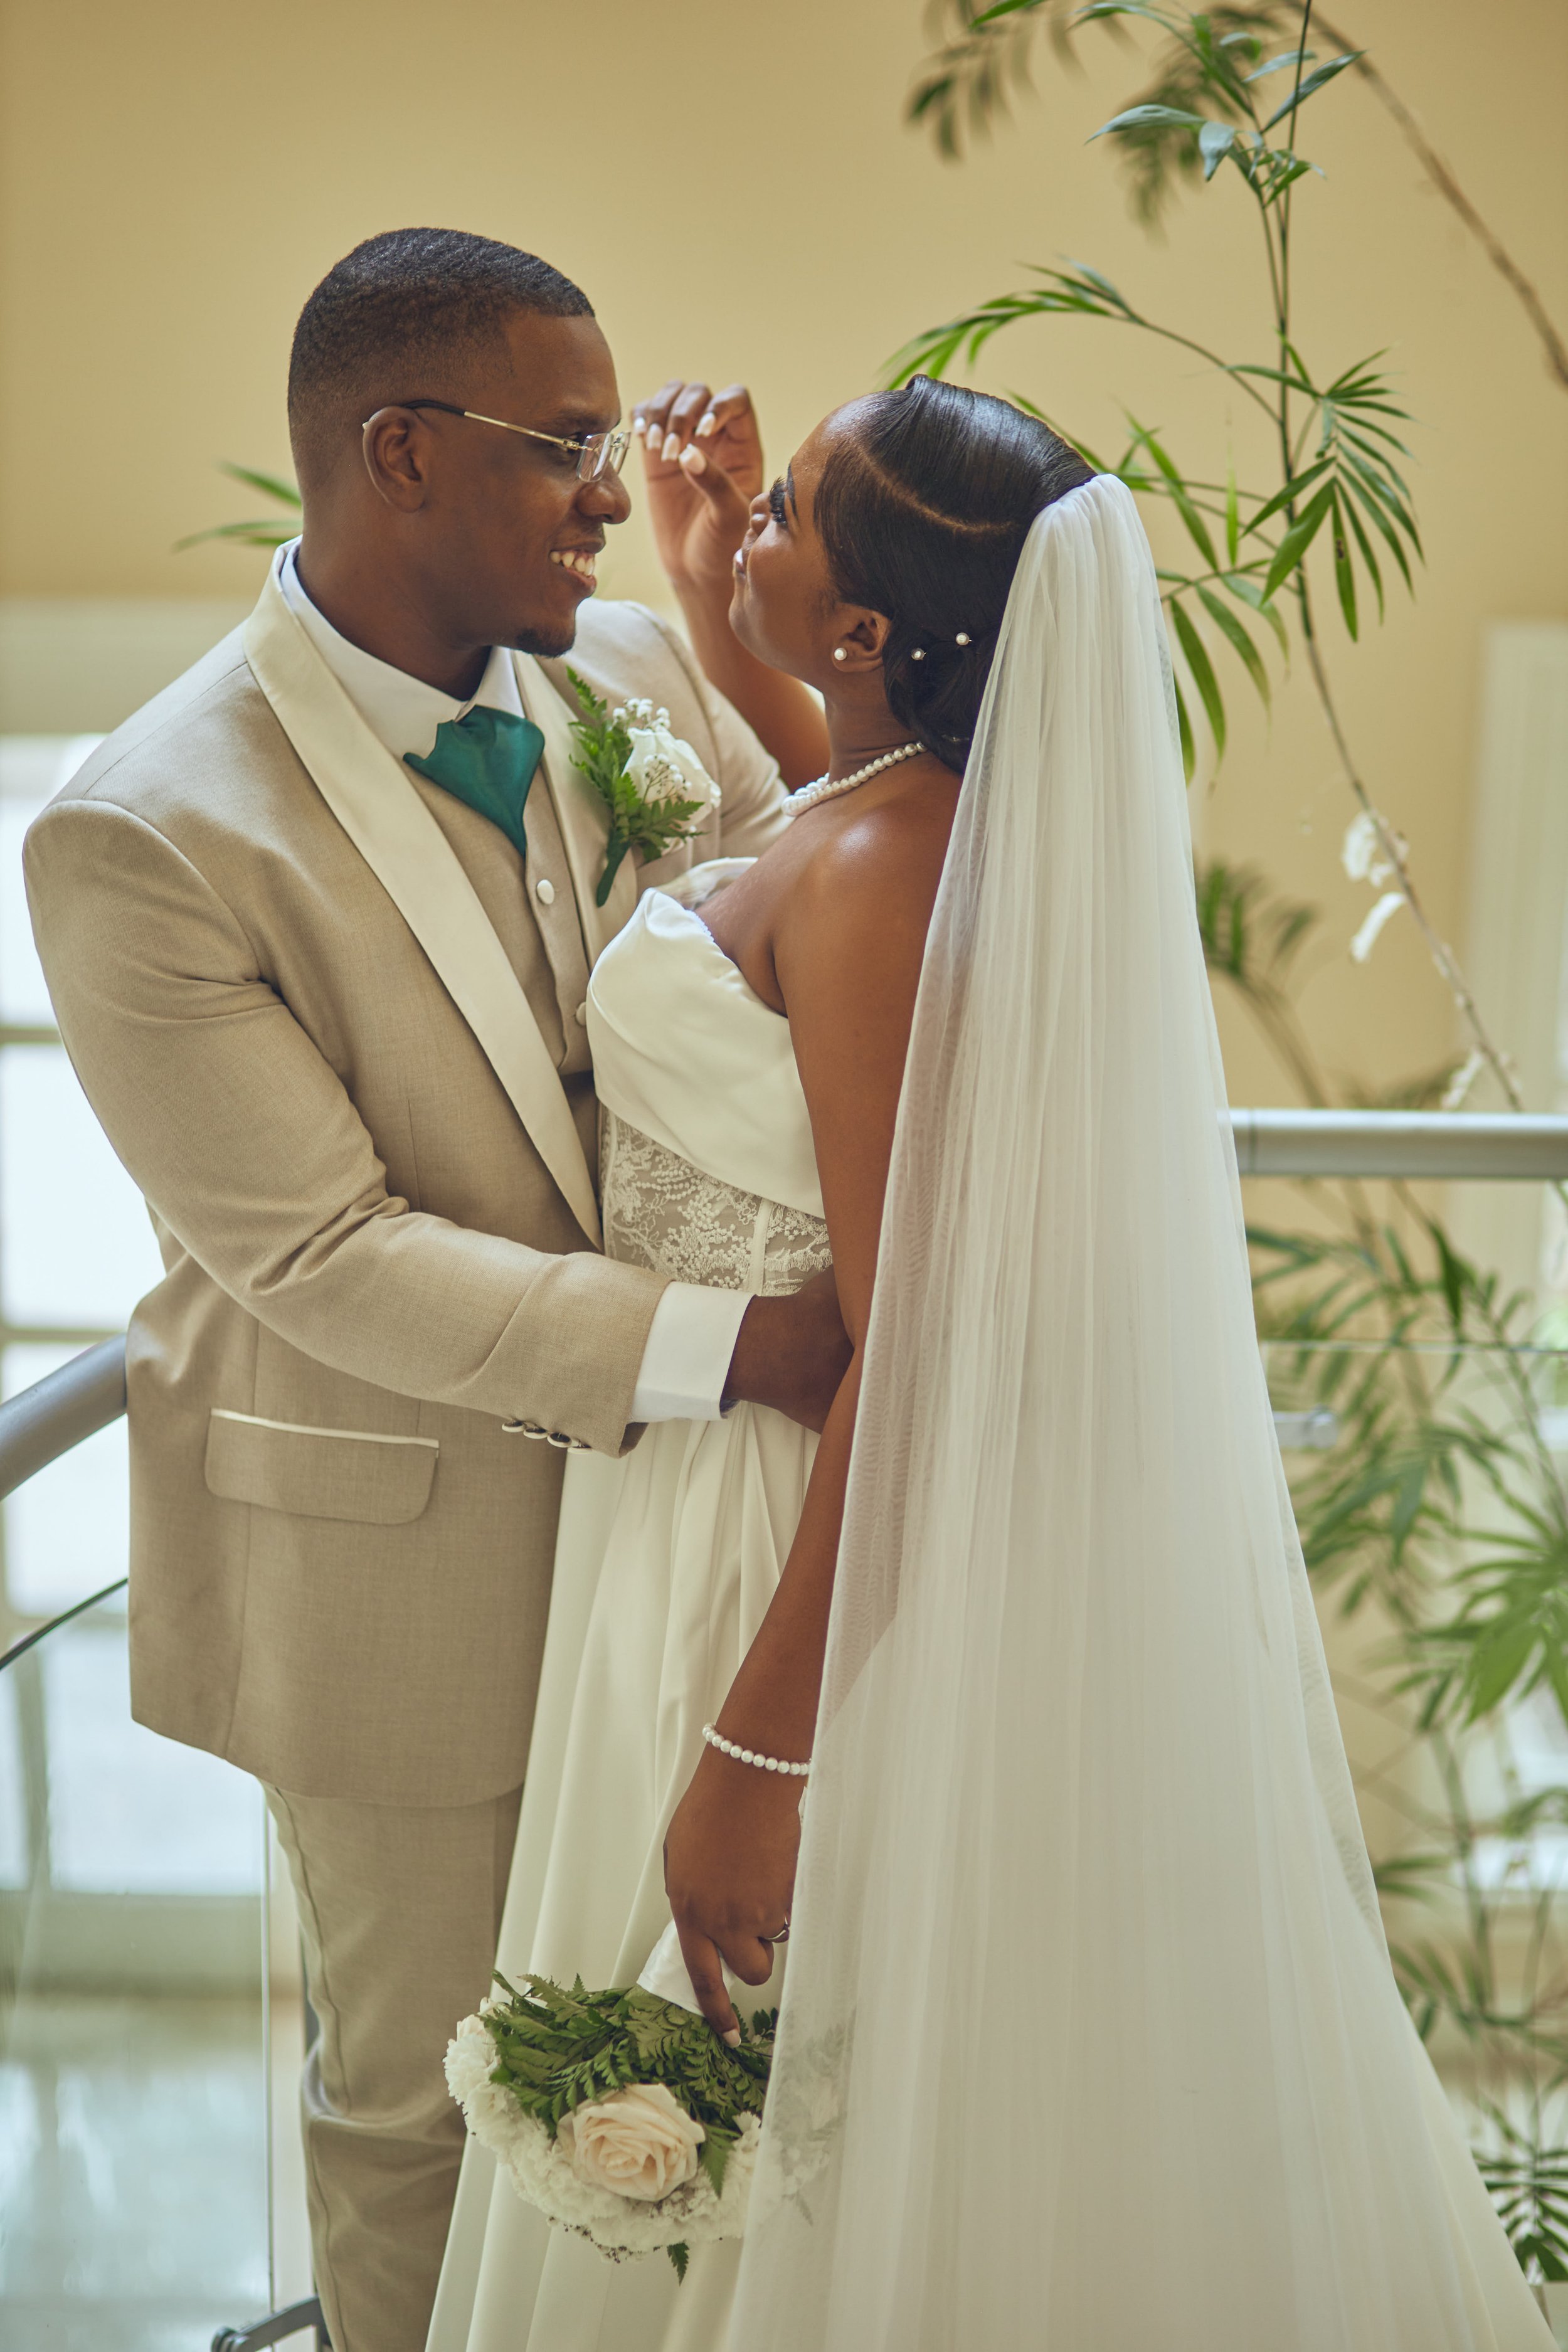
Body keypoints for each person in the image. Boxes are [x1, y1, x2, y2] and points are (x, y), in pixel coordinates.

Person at [432, 373, 1555, 2352]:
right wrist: (717, 588)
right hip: (726, 1497)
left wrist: (756, 1761)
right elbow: (828, 817)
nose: (745, 517)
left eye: (781, 512)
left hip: (792, 1537)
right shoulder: (892, 808)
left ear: (872, 632)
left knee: (798, 2099)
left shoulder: (885, 876)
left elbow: (922, 1341)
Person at [23, 229, 850, 2352]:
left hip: (696, 1535)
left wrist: (728, 610)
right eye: (565, 444)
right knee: (423, 2109)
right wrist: (749, 1347)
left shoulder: (636, 673)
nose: (609, 492)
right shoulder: (146, 830)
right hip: (401, 1559)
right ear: (398, 451)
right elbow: (315, 1252)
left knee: (706, 2074)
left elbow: (821, 915)